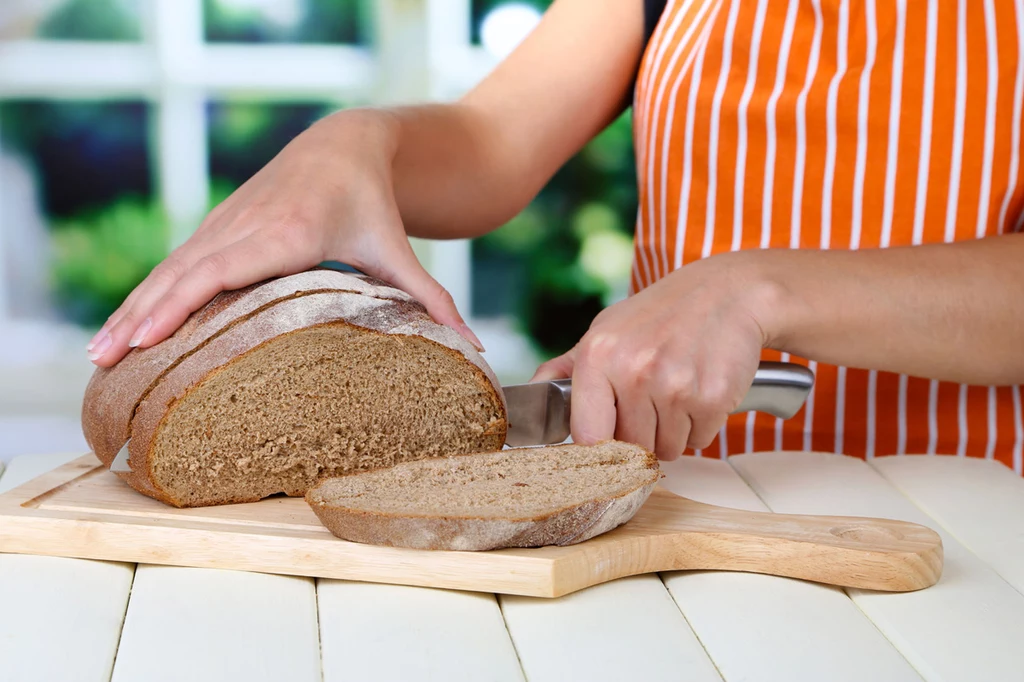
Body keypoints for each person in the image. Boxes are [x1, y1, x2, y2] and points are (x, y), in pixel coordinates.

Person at [86, 0, 1024, 470]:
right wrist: (356, 145)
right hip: (685, 504)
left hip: (977, 526)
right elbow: (495, 142)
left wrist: (754, 290)